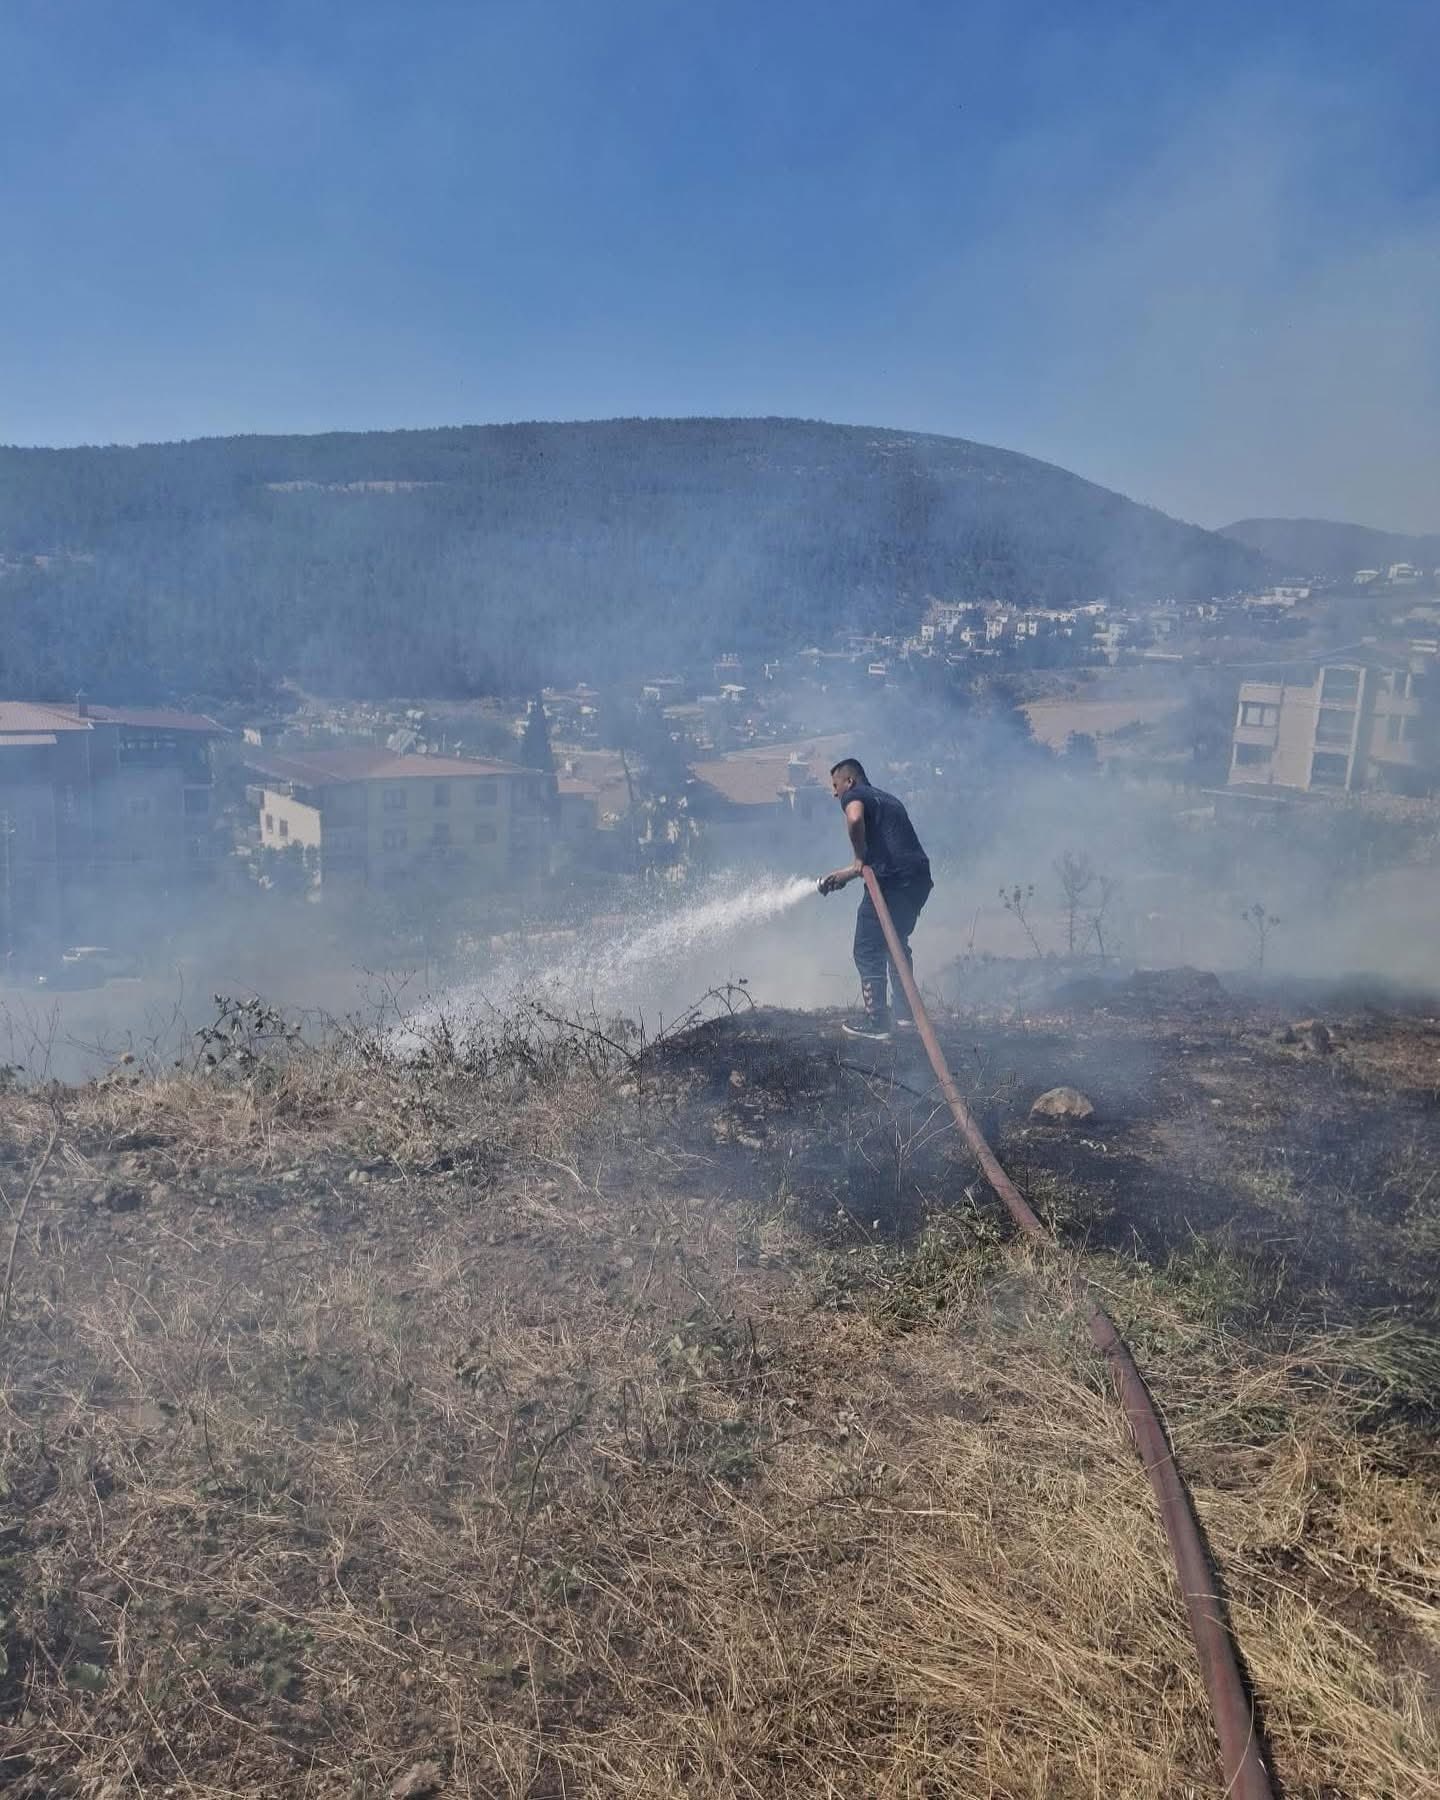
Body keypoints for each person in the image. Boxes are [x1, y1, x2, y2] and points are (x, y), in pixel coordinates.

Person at [819, 758, 932, 1041]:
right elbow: (881, 856)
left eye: (836, 786)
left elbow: (854, 818)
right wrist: (848, 873)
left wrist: (857, 859)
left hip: (891, 884)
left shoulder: (855, 796)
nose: (835, 793)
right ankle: (906, 1016)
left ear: (850, 781)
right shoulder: (887, 800)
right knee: (895, 943)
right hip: (916, 881)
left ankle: (878, 1022)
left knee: (867, 947)